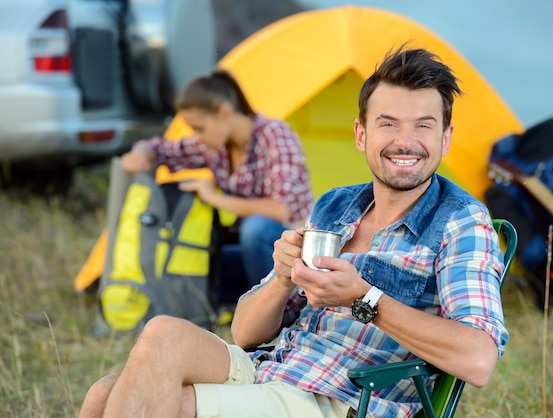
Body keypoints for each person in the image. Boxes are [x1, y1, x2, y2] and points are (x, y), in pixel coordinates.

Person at [78, 46, 508, 417]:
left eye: (423, 125)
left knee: (170, 406)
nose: (404, 141)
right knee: (125, 371)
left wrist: (365, 298)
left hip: (337, 396)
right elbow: (245, 335)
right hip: (275, 366)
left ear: (446, 138)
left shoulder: (460, 222)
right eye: (388, 123)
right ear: (361, 134)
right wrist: (282, 279)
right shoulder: (336, 206)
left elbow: (478, 359)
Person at [120, 70, 315, 305]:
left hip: (293, 249)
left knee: (254, 229)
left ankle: (280, 312)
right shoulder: (215, 146)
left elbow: (280, 210)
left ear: (224, 113)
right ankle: (239, 305)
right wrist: (141, 153)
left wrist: (214, 198)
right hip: (253, 254)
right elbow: (162, 149)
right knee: (197, 259)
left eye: (199, 128)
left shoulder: (274, 134)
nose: (196, 136)